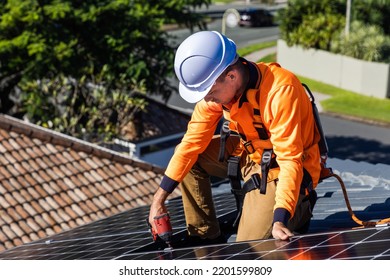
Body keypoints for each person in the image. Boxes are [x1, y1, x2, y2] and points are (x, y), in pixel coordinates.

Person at [148, 30, 321, 243]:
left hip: (282, 170)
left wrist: (280, 219)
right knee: (189, 160)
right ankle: (205, 239)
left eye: (209, 92)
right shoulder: (217, 96)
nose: (208, 99)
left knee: (248, 248)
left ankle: (299, 210)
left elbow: (290, 161)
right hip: (250, 154)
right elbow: (190, 144)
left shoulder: (280, 91)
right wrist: (158, 200)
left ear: (231, 76)